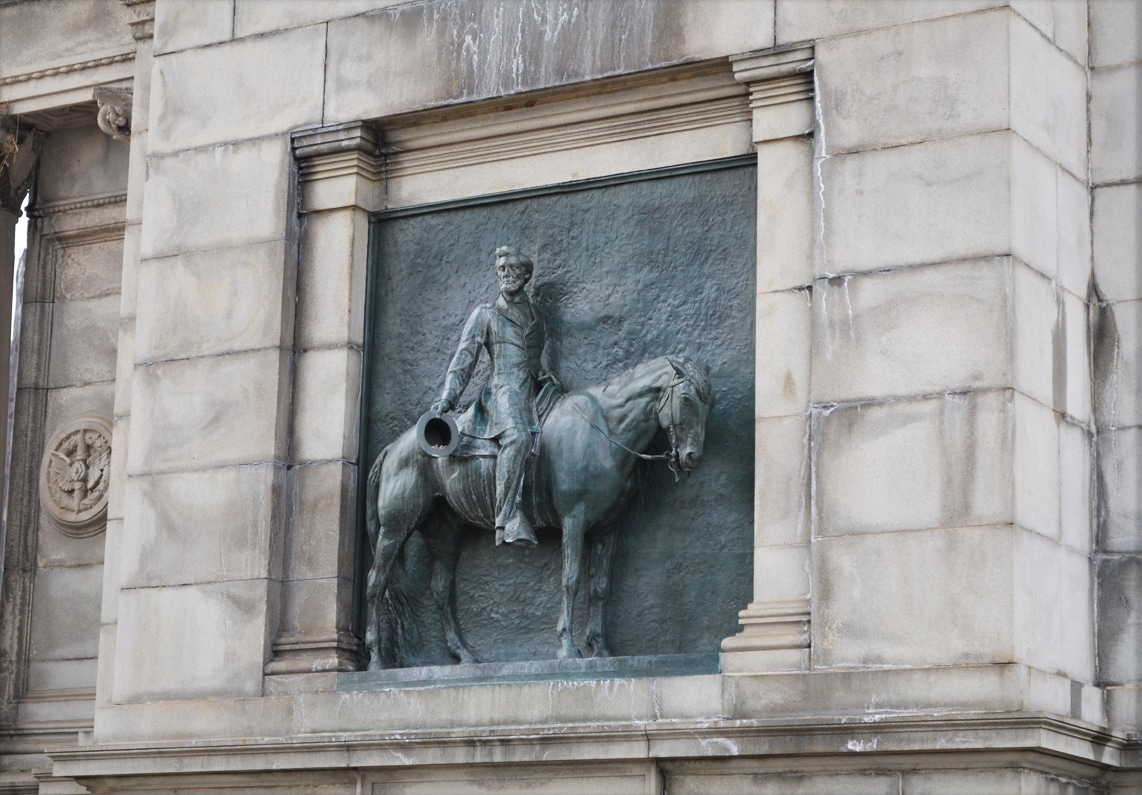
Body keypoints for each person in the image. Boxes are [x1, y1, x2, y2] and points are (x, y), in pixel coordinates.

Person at [431, 246, 554, 547]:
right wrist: (448, 398)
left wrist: (545, 377)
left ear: (526, 275)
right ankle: (508, 519)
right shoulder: (485, 314)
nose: (506, 275)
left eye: (512, 270)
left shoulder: (537, 316)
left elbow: (533, 359)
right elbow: (464, 359)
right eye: (501, 270)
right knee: (518, 437)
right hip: (503, 392)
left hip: (534, 390)